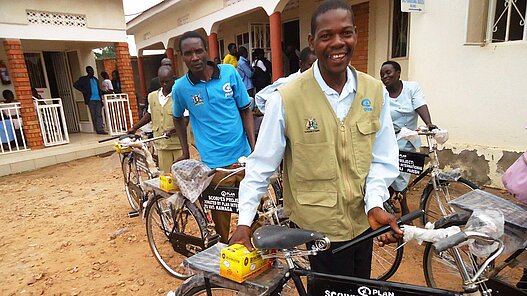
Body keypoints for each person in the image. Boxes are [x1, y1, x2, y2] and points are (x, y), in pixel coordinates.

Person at [231, 0, 401, 291]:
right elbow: (261, 166)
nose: (338, 43)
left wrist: (374, 203)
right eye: (326, 36)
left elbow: (382, 159)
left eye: (345, 33)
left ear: (355, 35)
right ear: (312, 41)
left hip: (364, 224)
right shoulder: (287, 98)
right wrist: (245, 221)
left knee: (359, 288)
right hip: (316, 231)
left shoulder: (374, 91)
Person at [171, 31, 255, 243]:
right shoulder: (181, 88)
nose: (195, 57)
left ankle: (255, 262)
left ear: (207, 51)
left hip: (243, 159)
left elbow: (245, 109)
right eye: (188, 53)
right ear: (182, 56)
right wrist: (185, 151)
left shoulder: (229, 73)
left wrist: (254, 149)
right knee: (222, 226)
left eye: (199, 51)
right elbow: (178, 118)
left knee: (255, 215)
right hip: (214, 167)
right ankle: (226, 263)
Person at [380, 60, 437, 216]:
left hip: (409, 139)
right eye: (382, 74)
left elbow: (419, 104)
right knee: (394, 173)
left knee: (403, 174)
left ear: (398, 73)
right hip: (388, 140)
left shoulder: (412, 88)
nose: (385, 76)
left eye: (388, 72)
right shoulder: (381, 94)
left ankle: (390, 201)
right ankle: (401, 208)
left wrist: (429, 123)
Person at [127, 66, 182, 173]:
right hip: (161, 144)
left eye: (167, 81)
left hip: (178, 144)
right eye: (162, 82)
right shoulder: (152, 96)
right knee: (165, 174)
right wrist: (135, 128)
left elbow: (185, 120)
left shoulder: (179, 96)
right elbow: (149, 115)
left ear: (173, 79)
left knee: (180, 174)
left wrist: (172, 130)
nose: (165, 84)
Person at [255, 47, 316, 114]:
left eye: (317, 65)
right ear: (301, 64)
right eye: (310, 65)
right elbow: (259, 97)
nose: (314, 68)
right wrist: (273, 115)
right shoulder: (288, 82)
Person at [73, 66, 107, 134]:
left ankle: (100, 129)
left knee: (99, 114)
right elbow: (75, 85)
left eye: (92, 70)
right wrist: (84, 91)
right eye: (90, 70)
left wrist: (104, 93)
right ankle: (97, 128)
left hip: (98, 99)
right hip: (91, 100)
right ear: (87, 71)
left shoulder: (95, 79)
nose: (92, 72)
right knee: (94, 115)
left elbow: (98, 89)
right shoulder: (84, 79)